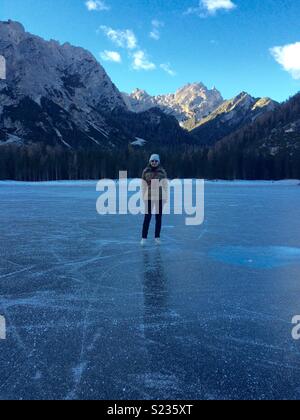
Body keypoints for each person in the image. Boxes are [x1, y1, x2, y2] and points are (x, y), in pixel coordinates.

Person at [141, 154, 168, 246]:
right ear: (150, 161)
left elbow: (165, 186)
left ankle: (157, 237)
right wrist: (143, 196)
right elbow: (143, 185)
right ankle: (144, 238)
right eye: (152, 161)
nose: (154, 162)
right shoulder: (145, 171)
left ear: (158, 162)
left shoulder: (162, 172)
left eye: (156, 161)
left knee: (158, 218)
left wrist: (165, 197)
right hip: (148, 197)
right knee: (147, 218)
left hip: (159, 198)